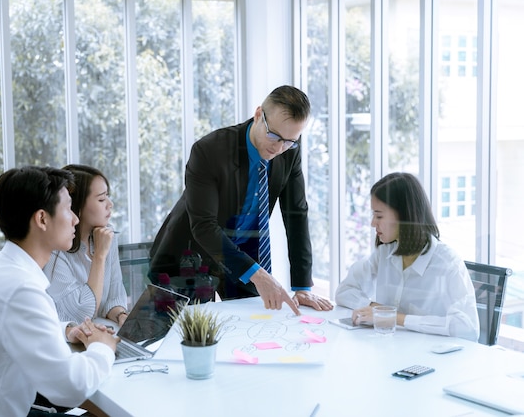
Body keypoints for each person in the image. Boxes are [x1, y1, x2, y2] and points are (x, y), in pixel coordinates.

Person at [0, 166, 120, 417]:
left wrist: (67, 331)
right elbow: (69, 388)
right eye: (68, 209)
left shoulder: (0, 264)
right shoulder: (21, 290)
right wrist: (103, 347)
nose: (75, 219)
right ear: (42, 219)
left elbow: (11, 326)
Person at [149, 85, 333, 314]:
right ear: (258, 115)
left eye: (289, 141)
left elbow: (296, 214)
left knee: (253, 330)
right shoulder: (209, 150)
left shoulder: (289, 151)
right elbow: (204, 226)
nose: (278, 148)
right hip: (190, 255)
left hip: (243, 253)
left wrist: (302, 286)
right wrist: (258, 275)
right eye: (274, 136)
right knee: (184, 339)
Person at [335, 172, 480, 341]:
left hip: (432, 359)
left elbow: (468, 328)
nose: (373, 223)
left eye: (379, 216)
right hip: (393, 351)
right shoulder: (385, 253)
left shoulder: (447, 263)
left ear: (404, 215)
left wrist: (396, 318)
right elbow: (344, 291)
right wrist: (376, 308)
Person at [44, 164, 129, 327]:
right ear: (76, 206)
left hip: (99, 332)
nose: (109, 204)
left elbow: (113, 298)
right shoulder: (56, 250)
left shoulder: (105, 235)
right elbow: (81, 314)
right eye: (101, 199)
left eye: (107, 196)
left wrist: (121, 315)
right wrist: (99, 256)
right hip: (69, 342)